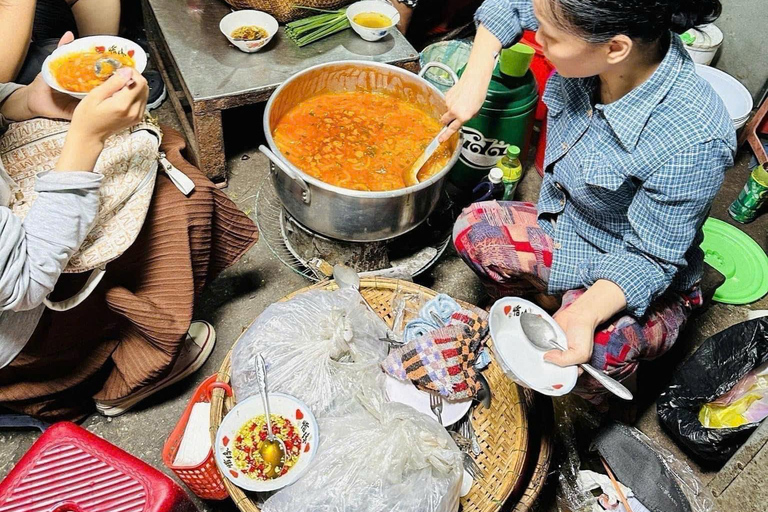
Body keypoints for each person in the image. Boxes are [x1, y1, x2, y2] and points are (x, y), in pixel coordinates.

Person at [448, 0, 736, 402]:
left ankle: (593, 394)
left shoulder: (693, 140)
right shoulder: (583, 24)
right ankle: (550, 300)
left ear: (615, 49)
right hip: (570, 228)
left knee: (600, 349)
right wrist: (475, 77)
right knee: (474, 231)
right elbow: (512, 6)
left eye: (550, 36)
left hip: (635, 264)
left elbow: (650, 257)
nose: (537, 38)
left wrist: (584, 313)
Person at [0, 34, 258, 421]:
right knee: (180, 204)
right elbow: (25, 284)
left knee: (155, 145)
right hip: (20, 326)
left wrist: (28, 100)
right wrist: (87, 138)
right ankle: (135, 370)